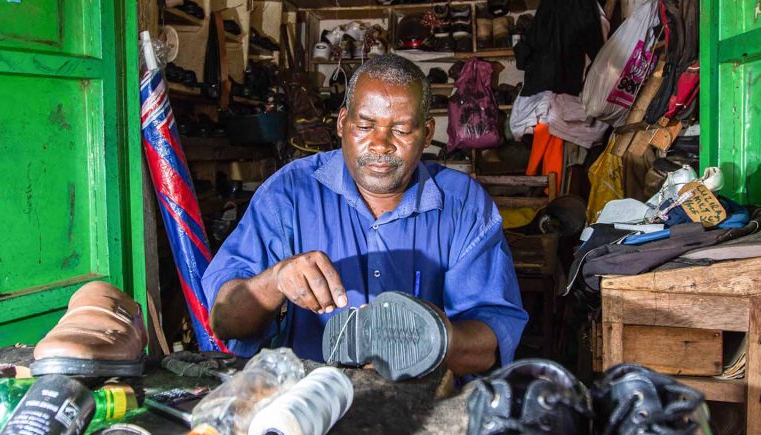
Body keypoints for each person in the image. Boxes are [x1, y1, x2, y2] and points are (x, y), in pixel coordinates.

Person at [203, 54, 527, 376]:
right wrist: (275, 280)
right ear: (342, 123)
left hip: (428, 405)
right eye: (365, 126)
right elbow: (225, 320)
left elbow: (491, 343)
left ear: (427, 133)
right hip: (311, 403)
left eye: (401, 129)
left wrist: (436, 342)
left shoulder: (464, 206)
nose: (381, 144)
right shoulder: (289, 194)